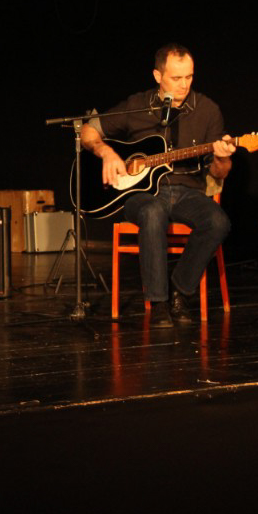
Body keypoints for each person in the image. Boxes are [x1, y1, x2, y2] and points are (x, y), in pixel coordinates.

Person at [81, 43, 234, 327]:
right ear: (157, 76)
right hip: (141, 195)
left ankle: (180, 291)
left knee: (218, 222)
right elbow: (88, 130)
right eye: (176, 78)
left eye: (189, 77)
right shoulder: (137, 105)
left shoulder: (207, 110)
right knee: (153, 212)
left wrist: (223, 158)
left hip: (188, 191)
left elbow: (219, 173)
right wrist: (107, 153)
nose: (184, 85)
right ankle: (158, 303)